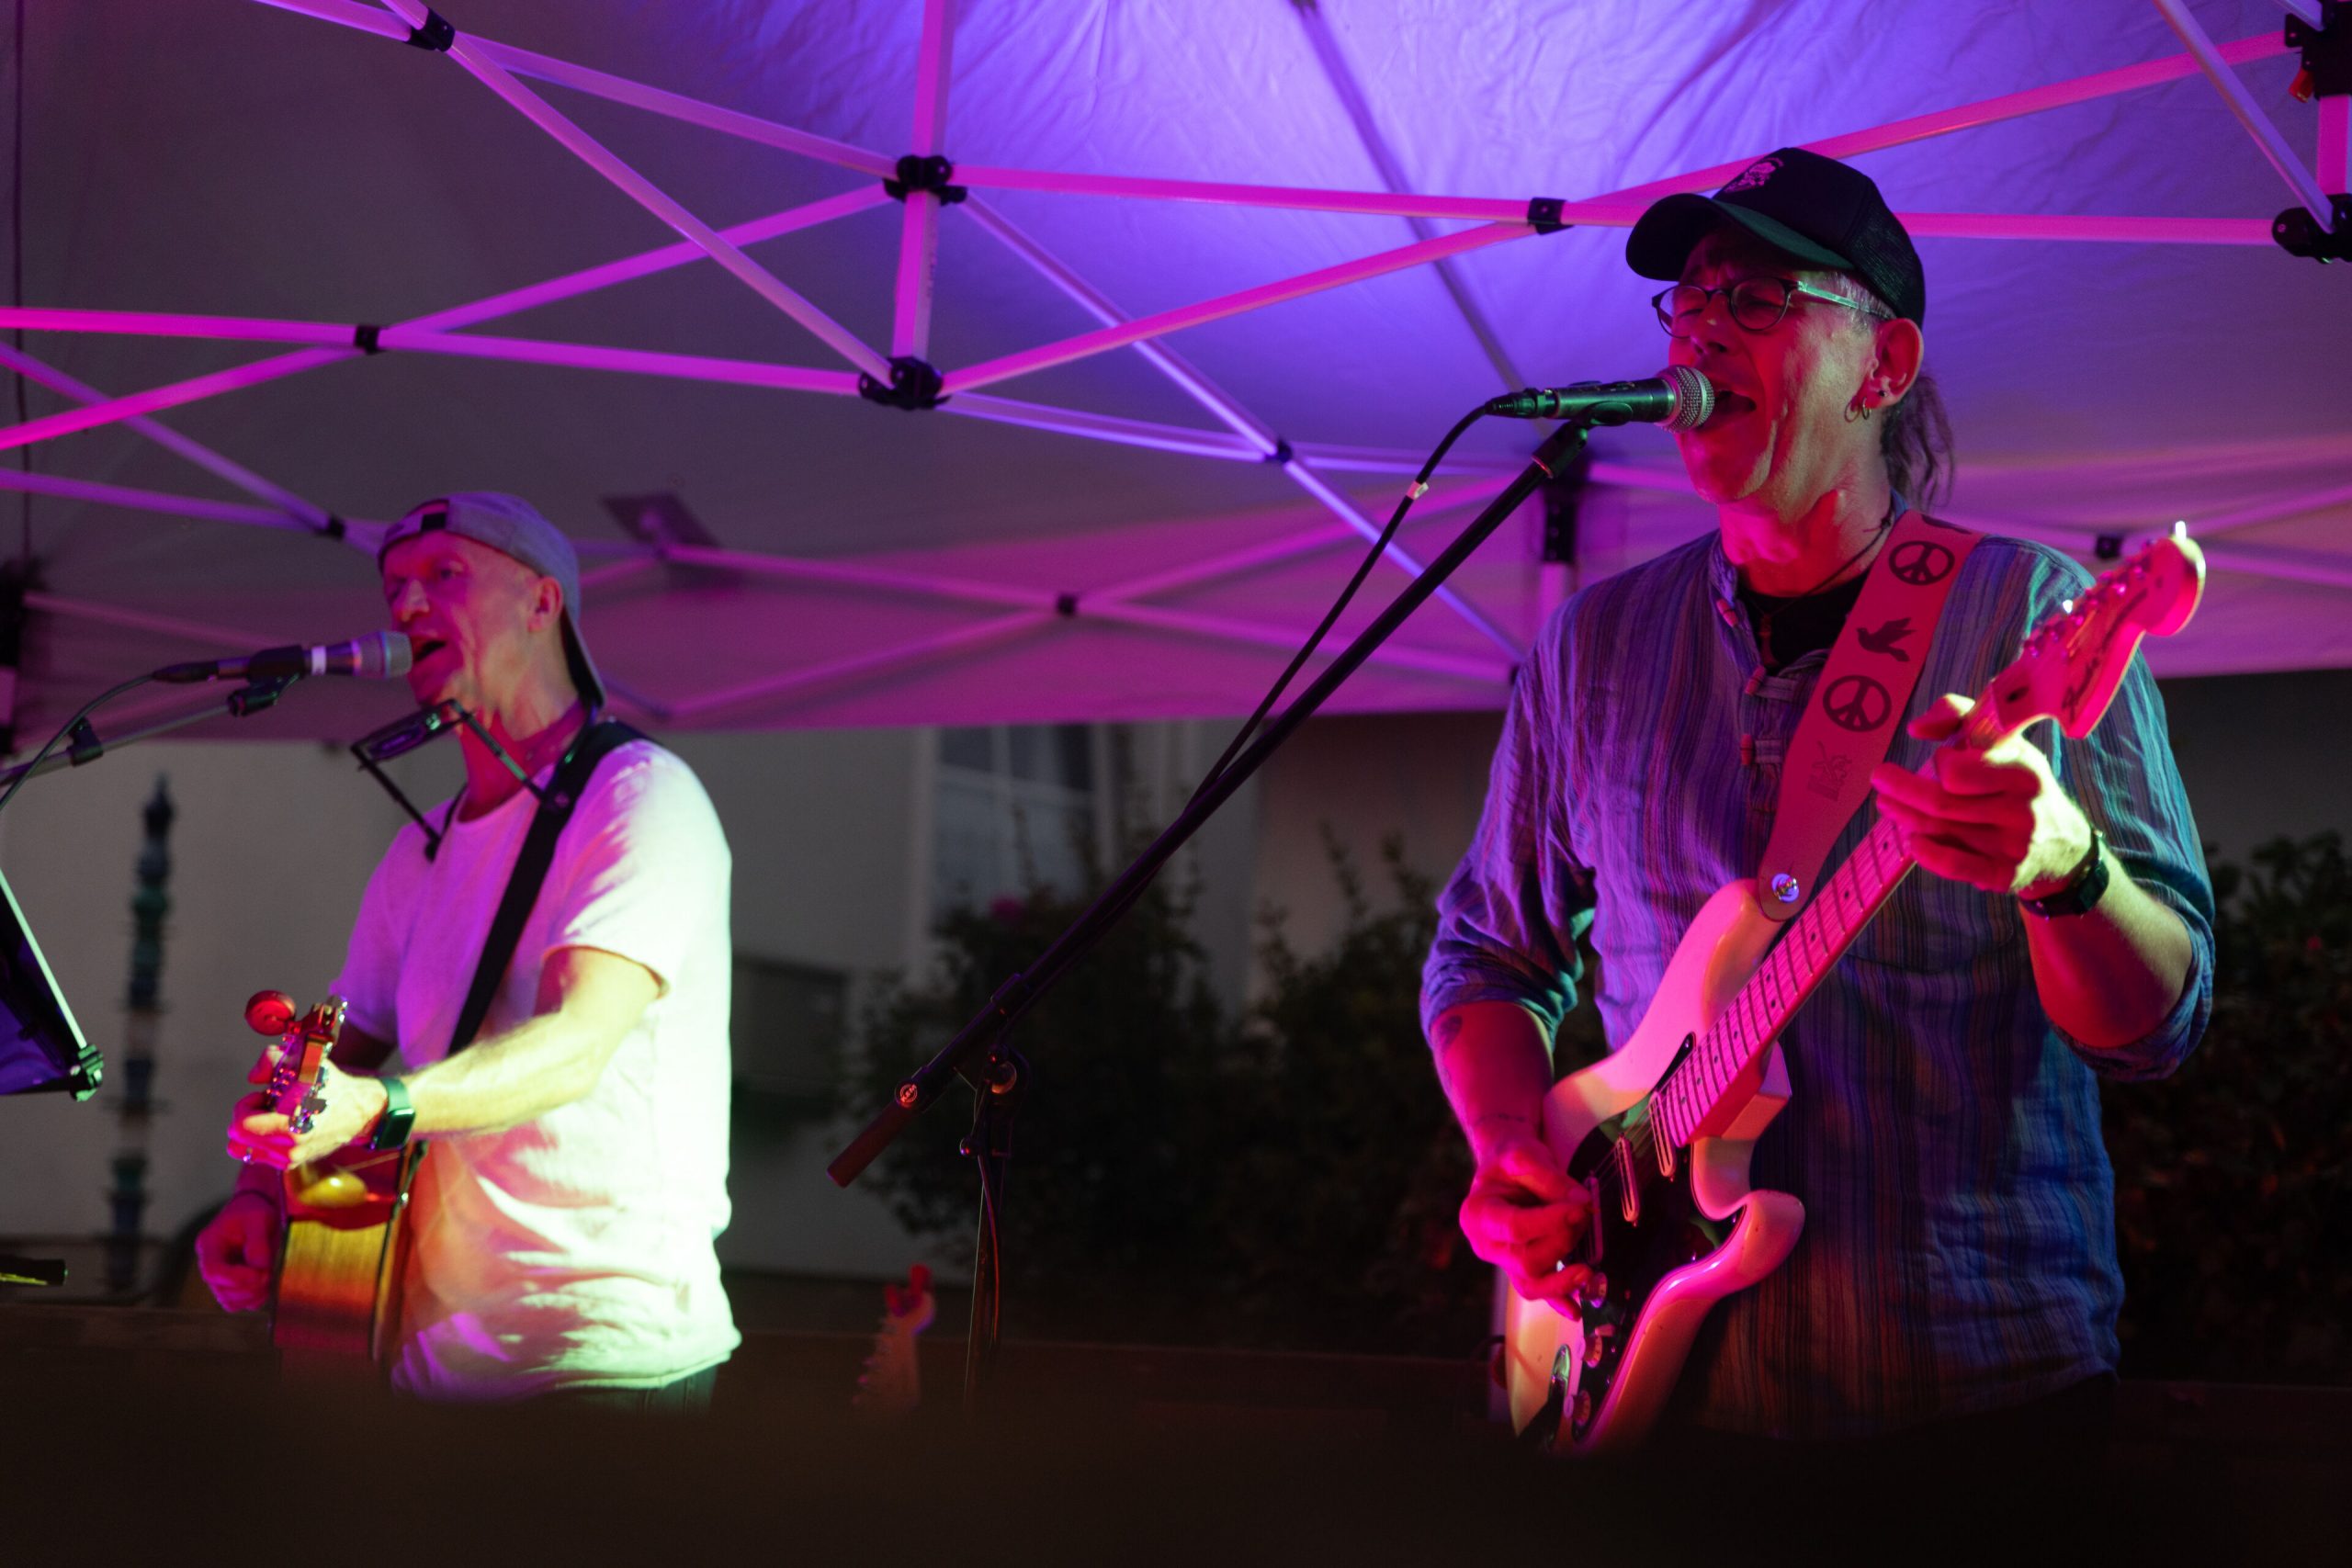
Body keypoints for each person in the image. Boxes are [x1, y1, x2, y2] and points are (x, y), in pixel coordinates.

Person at [1421, 150, 2212, 1448]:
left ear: (1883, 365)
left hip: (1973, 1397)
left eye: (1757, 299)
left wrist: (2066, 868)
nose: (1700, 331)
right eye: (1688, 302)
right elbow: (1485, 956)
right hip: (1670, 1422)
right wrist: (1512, 1143)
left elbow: (2158, 1027)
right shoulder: (1593, 647)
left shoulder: (2026, 614)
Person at [196, 492, 740, 1405]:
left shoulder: (640, 795)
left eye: (443, 575)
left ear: (541, 603)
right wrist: (257, 1186)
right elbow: (338, 1043)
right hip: (428, 1364)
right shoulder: (422, 850)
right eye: (394, 588)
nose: (407, 606)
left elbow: (577, 1045)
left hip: (606, 1360)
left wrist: (380, 1108)